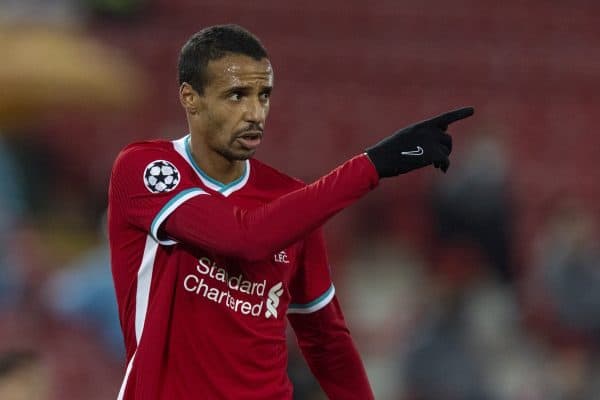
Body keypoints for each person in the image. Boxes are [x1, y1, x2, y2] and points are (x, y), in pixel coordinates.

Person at [108, 24, 473, 400]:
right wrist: (371, 166)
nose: (255, 113)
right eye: (237, 95)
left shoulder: (290, 202)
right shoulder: (146, 168)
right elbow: (243, 238)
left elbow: (326, 339)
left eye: (263, 95)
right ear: (190, 98)